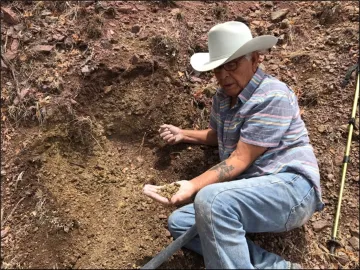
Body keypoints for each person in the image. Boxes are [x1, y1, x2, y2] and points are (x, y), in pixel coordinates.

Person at [143, 21, 324, 269]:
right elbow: (216, 135)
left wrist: (192, 185)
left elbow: (240, 158)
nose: (223, 75)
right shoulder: (223, 98)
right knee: (181, 222)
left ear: (256, 59)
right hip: (251, 192)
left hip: (291, 189)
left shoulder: (272, 95)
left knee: (210, 199)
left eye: (232, 64)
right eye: (218, 68)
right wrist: (183, 134)